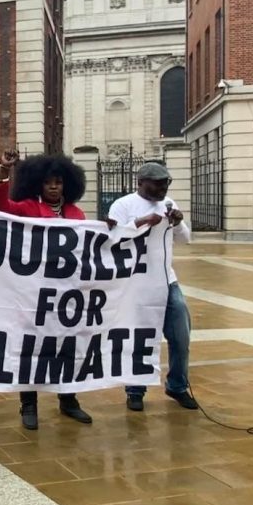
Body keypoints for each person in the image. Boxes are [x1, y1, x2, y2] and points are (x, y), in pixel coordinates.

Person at [0, 149, 93, 429]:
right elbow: (0, 208)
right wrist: (2, 174)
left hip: (67, 294)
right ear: (38, 183)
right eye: (48, 182)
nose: (53, 186)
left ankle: (68, 399)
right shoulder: (26, 207)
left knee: (66, 348)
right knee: (32, 348)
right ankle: (29, 404)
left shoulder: (76, 213)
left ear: (66, 184)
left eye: (58, 182)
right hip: (34, 293)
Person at [106, 162, 198, 412]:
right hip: (135, 282)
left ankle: (177, 386)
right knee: (138, 336)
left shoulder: (170, 204)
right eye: (158, 183)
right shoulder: (123, 205)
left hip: (167, 280)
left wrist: (178, 222)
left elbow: (186, 240)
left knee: (181, 335)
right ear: (141, 182)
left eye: (166, 183)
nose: (163, 188)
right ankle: (135, 389)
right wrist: (142, 222)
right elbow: (112, 239)